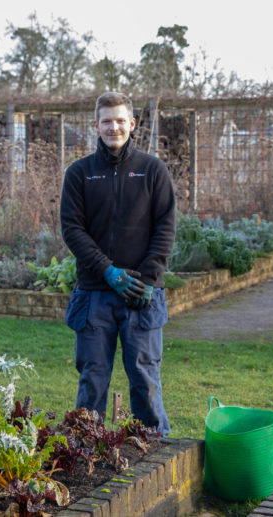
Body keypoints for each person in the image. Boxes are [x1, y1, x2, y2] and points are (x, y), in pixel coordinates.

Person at [60, 92, 175, 436]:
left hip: (141, 293)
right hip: (95, 293)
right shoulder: (79, 174)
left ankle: (153, 450)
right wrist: (108, 271)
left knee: (145, 378)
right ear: (96, 125)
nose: (114, 127)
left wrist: (150, 280)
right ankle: (86, 452)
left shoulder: (152, 170)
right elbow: (73, 230)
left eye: (121, 120)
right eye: (107, 121)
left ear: (132, 124)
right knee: (93, 378)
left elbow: (165, 227)